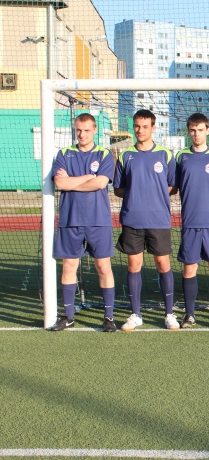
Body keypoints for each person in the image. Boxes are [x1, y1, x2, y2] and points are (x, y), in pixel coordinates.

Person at [50, 113, 116, 332]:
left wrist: (72, 182)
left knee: (103, 266)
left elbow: (101, 183)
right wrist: (88, 177)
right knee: (69, 266)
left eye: (86, 130)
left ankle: (108, 317)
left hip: (98, 220)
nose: (82, 134)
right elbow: (60, 184)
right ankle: (68, 316)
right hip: (71, 219)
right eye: (78, 130)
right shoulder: (64, 153)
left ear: (94, 130)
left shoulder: (104, 154)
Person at [113, 109, 178, 331]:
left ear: (153, 127)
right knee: (134, 265)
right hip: (132, 219)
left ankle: (169, 314)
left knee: (163, 263)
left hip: (159, 219)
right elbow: (118, 188)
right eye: (137, 126)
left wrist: (154, 193)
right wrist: (136, 192)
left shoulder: (165, 154)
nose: (140, 130)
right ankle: (135, 314)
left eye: (145, 126)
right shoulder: (125, 155)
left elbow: (173, 185)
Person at [175, 113, 209, 329]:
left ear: (207, 130)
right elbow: (174, 186)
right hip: (190, 221)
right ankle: (189, 314)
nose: (196, 134)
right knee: (189, 268)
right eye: (192, 130)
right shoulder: (181, 157)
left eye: (200, 130)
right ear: (188, 131)